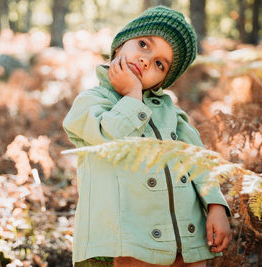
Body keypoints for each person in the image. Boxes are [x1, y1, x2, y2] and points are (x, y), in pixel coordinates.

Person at [63, 6, 232, 267]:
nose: (145, 60)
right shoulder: (90, 102)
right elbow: (108, 140)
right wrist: (132, 96)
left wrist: (216, 206)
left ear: (164, 80)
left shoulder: (172, 113)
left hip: (185, 241)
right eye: (143, 44)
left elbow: (200, 162)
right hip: (130, 244)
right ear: (120, 44)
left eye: (159, 64)